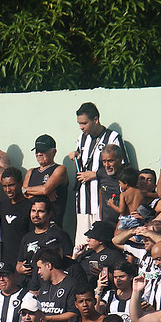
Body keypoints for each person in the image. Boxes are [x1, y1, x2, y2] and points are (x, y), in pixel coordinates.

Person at [70, 102, 126, 238]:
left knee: (100, 241)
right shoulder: (82, 138)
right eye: (79, 123)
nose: (81, 127)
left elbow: (123, 167)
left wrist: (95, 174)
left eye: (84, 123)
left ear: (95, 120)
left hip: (103, 202)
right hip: (83, 200)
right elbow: (82, 166)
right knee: (83, 242)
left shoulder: (112, 137)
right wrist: (76, 158)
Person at [16, 196, 73, 284]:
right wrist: (22, 269)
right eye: (33, 211)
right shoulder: (27, 237)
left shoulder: (59, 234)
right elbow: (19, 264)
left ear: (49, 214)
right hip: (28, 284)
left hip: (50, 284)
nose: (36, 215)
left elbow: (69, 259)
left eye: (40, 211)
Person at [23, 134, 69, 225]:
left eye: (43, 151)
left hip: (52, 224)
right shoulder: (31, 172)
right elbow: (24, 193)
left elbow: (45, 189)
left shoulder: (59, 169)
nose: (39, 154)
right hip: (33, 225)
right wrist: (43, 192)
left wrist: (29, 191)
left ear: (54, 152)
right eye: (37, 151)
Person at [35, 249, 78, 322]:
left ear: (48, 265)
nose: (38, 272)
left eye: (39, 268)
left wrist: (48, 318)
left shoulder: (71, 285)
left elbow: (73, 314)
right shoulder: (44, 286)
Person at [0, 167, 33, 269]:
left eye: (11, 185)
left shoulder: (30, 207)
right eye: (4, 186)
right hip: (5, 263)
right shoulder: (2, 206)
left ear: (21, 183)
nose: (8, 190)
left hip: (23, 262)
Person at [96, 144, 125, 229]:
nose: (107, 165)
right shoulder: (101, 173)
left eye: (110, 161)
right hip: (107, 222)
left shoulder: (128, 175)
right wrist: (101, 215)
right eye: (104, 161)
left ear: (120, 159)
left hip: (123, 223)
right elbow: (101, 192)